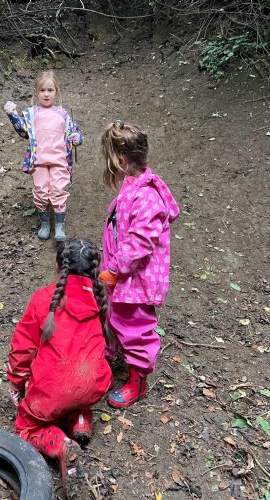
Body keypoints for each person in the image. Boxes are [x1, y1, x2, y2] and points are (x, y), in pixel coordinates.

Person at [6, 238, 113, 486]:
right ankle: (80, 419)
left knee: (27, 427)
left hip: (54, 388)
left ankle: (62, 446)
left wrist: (16, 383)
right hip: (94, 383)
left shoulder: (43, 299)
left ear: (58, 268)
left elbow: (22, 349)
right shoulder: (100, 299)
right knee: (76, 387)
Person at [98, 120, 180, 409]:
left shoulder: (146, 197)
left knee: (137, 328)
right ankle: (109, 356)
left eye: (110, 162)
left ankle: (138, 380)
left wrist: (114, 269)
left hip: (136, 280)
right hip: (122, 276)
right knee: (114, 317)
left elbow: (139, 243)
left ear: (121, 160)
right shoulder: (132, 187)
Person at [3, 70, 83, 242]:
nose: (46, 94)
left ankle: (60, 225)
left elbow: (75, 133)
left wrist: (77, 139)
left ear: (56, 92)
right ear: (36, 93)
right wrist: (12, 115)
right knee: (40, 190)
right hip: (38, 161)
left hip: (59, 160)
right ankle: (45, 223)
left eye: (50, 90)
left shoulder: (62, 114)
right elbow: (24, 132)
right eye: (42, 90)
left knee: (58, 189)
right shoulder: (31, 114)